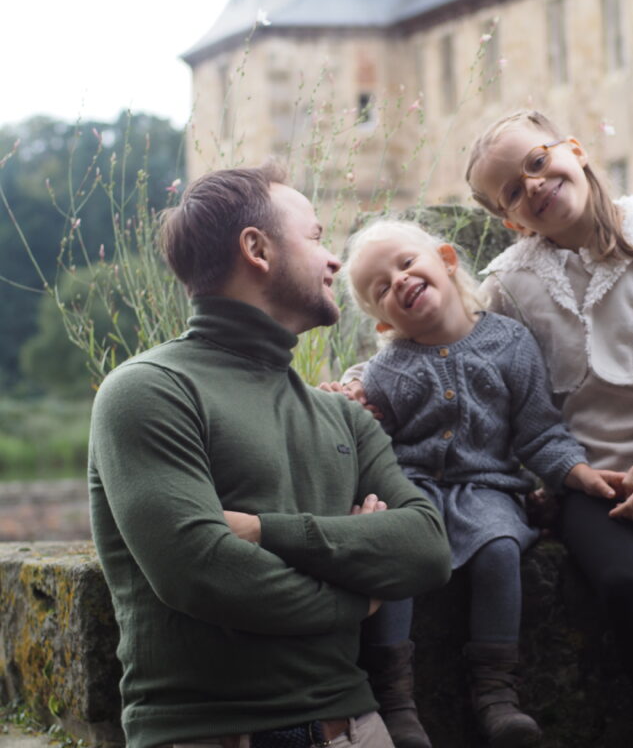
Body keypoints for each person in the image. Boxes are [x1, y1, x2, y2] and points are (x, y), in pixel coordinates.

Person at [88, 164, 452, 748]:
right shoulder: (149, 391)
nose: (334, 260)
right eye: (314, 237)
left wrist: (264, 531)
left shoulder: (345, 416)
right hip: (214, 735)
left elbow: (426, 549)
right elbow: (202, 572)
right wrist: (360, 596)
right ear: (256, 249)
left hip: (358, 730)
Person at [463, 109, 633, 747]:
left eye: (537, 161)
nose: (532, 183)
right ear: (511, 219)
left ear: (573, 150)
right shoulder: (511, 283)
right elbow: (459, 332)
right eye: (511, 190)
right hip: (588, 479)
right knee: (621, 582)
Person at [330, 219, 624, 748]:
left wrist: (576, 473)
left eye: (405, 263)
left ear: (445, 259)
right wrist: (351, 400)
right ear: (381, 322)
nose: (397, 281)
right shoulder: (388, 368)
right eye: (380, 288)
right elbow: (363, 424)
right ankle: (396, 698)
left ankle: (495, 693)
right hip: (412, 487)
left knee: (499, 546)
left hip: (489, 489)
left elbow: (539, 432)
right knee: (399, 544)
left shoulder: (510, 343)